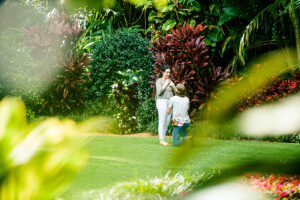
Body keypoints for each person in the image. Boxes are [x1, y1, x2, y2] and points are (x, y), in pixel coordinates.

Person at [155, 65, 177, 145]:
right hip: (162, 101)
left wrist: (172, 85)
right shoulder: (159, 81)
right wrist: (166, 84)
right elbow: (159, 92)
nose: (168, 74)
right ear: (163, 72)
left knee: (167, 121)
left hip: (170, 102)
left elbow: (176, 92)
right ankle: (161, 140)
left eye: (169, 72)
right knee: (162, 120)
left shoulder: (170, 81)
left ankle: (163, 140)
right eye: (166, 72)